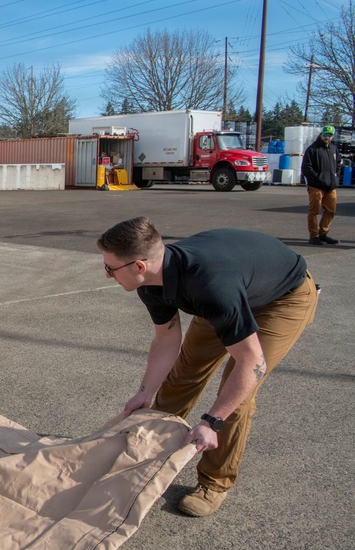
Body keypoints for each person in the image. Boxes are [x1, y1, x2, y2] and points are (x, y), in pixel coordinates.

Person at [97, 217, 318, 517]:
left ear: (139, 265)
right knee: (182, 376)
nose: (107, 274)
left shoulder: (211, 284)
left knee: (236, 398)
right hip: (230, 293)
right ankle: (150, 457)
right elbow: (166, 339)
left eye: (111, 268)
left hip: (282, 299)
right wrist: (144, 392)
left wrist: (212, 421)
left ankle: (214, 483)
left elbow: (253, 361)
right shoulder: (150, 283)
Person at [301, 125, 340, 245]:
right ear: (321, 134)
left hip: (331, 186)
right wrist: (318, 179)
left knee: (331, 210)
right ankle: (314, 235)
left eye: (329, 135)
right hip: (316, 186)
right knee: (314, 211)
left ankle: (323, 233)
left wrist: (335, 177)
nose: (327, 137)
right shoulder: (312, 149)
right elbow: (306, 168)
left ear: (332, 136)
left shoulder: (333, 149)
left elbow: (337, 164)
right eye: (325, 135)